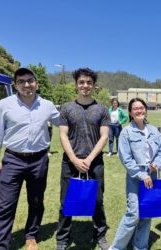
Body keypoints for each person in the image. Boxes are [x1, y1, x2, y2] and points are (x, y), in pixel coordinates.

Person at [0, 68, 60, 250]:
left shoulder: (47, 105)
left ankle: (31, 235)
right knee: (6, 206)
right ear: (15, 85)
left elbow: (65, 122)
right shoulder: (4, 105)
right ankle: (0, 246)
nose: (27, 84)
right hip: (13, 160)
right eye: (21, 81)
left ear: (37, 83)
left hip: (39, 160)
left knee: (36, 201)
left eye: (30, 80)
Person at [56, 68, 110, 250]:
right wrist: (74, 159)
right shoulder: (66, 108)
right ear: (76, 85)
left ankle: (100, 234)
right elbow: (63, 135)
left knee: (97, 200)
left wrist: (88, 159)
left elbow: (104, 136)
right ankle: (62, 239)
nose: (85, 86)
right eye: (82, 82)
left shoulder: (102, 109)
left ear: (94, 85)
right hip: (70, 161)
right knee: (66, 201)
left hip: (94, 162)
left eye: (89, 82)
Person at [110, 98, 161, 250]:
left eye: (141, 107)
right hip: (136, 177)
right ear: (130, 112)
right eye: (135, 108)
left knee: (147, 212)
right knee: (133, 214)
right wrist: (142, 175)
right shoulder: (126, 133)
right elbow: (126, 159)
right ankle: (116, 248)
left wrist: (158, 163)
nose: (139, 110)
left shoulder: (154, 130)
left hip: (153, 175)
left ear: (146, 110)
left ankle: (140, 246)